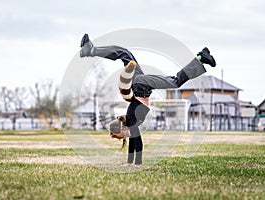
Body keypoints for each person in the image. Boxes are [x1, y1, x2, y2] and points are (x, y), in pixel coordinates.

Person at [79, 33, 216, 166]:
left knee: (174, 82)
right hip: (138, 83)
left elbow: (137, 143)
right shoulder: (130, 121)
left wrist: (136, 164)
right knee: (124, 53)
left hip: (141, 84)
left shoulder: (131, 121)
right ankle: (91, 49)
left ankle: (200, 59)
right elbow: (133, 142)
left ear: (121, 130)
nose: (123, 137)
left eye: (120, 136)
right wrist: (129, 163)